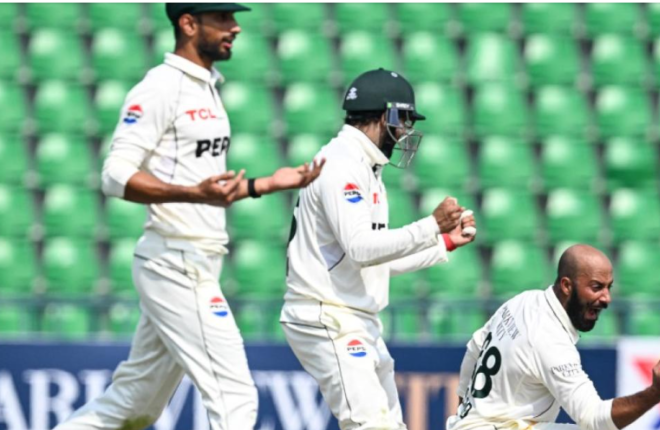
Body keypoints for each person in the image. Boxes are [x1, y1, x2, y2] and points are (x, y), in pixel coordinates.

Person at [54, 4, 324, 430]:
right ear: (188, 23)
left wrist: (268, 183)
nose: (235, 27)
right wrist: (191, 194)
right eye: (223, 18)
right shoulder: (160, 87)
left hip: (195, 258)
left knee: (133, 407)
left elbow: (208, 188)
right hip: (175, 260)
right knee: (235, 396)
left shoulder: (207, 87)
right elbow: (114, 176)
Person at [282, 68, 478, 430]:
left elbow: (373, 261)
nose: (405, 131)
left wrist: (444, 242)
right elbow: (362, 249)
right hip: (328, 313)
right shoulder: (341, 164)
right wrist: (431, 225)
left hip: (355, 316)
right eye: (403, 120)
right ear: (384, 115)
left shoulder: (366, 167)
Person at [447, 244, 660, 430]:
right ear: (567, 285)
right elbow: (594, 419)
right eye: (596, 287)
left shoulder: (524, 300)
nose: (606, 298)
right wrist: (657, 391)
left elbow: (475, 347)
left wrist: (464, 411)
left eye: (608, 287)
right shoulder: (550, 340)